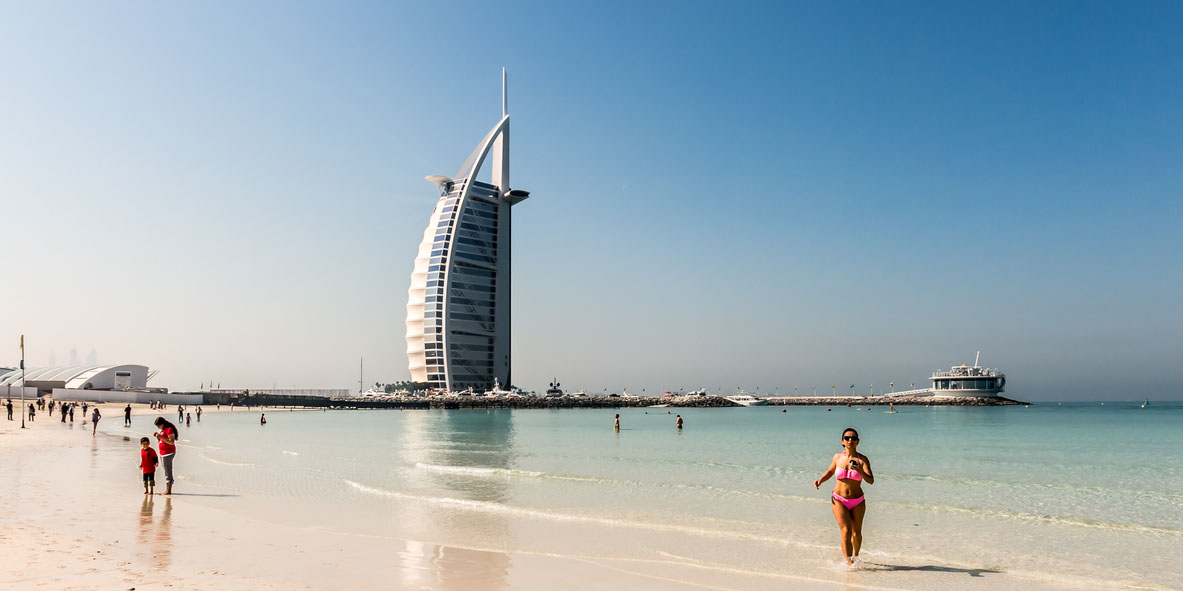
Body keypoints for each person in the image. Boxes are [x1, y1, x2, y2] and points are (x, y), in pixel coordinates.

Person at [813, 428, 874, 569]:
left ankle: (855, 557)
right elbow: (830, 471)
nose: (850, 440)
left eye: (853, 438)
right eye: (847, 438)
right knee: (846, 530)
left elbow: (871, 480)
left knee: (856, 532)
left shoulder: (862, 460)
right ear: (842, 441)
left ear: (858, 442)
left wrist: (859, 470)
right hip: (839, 499)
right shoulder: (837, 458)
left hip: (858, 500)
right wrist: (820, 480)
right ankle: (849, 563)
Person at [153, 417, 179, 495]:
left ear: (162, 424)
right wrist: (158, 437)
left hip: (168, 453)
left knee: (168, 471)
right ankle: (168, 489)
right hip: (163, 453)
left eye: (158, 426)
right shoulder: (163, 430)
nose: (158, 427)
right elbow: (163, 440)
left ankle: (168, 490)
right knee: (166, 471)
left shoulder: (169, 429)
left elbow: (171, 442)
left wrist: (160, 437)